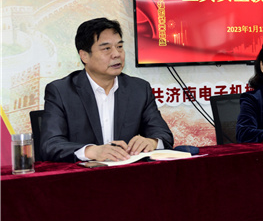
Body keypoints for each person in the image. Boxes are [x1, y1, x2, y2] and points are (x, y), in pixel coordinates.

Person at [41, 18, 174, 162]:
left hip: (128, 173)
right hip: (83, 174)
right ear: (84, 56)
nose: (117, 54)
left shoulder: (139, 89)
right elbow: (50, 144)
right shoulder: (61, 91)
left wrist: (152, 142)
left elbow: (163, 135)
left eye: (119, 46)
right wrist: (91, 151)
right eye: (106, 48)